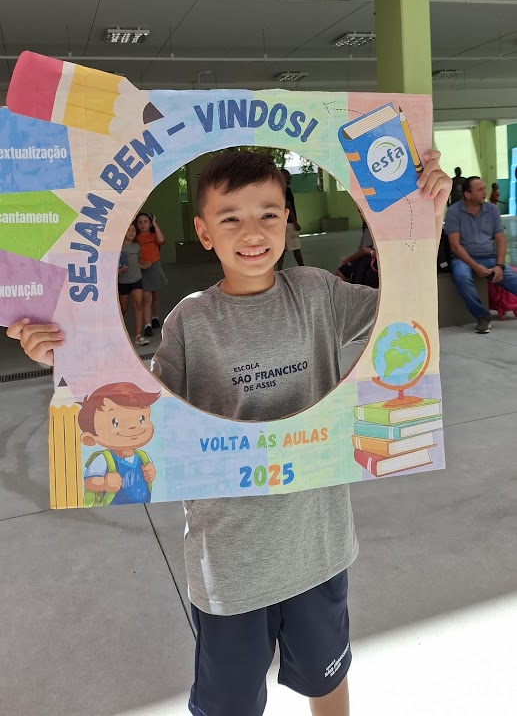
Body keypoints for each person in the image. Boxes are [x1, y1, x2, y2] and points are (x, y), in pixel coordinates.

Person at [7, 149, 450, 716]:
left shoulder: (317, 292)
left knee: (326, 679)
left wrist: (418, 229)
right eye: (230, 217)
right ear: (203, 231)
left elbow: (405, 313)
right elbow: (142, 415)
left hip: (317, 538)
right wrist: (64, 357)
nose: (252, 232)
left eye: (268, 213)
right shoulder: (189, 321)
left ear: (288, 217)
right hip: (230, 554)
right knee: (231, 702)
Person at [444, 175, 517, 334]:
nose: (485, 192)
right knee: (462, 277)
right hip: (463, 259)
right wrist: (475, 266)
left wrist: (499, 265)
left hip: (490, 258)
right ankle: (482, 316)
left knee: (512, 278)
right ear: (467, 194)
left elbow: (500, 240)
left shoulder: (492, 209)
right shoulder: (453, 212)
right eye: (480, 189)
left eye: (485, 188)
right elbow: (455, 246)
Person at [79, 381, 159, 506]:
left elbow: (150, 475)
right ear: (90, 438)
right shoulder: (103, 460)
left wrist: (151, 473)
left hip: (144, 504)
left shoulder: (143, 457)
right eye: (115, 422)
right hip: (113, 509)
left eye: (141, 419)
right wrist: (104, 483)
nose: (133, 427)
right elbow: (88, 482)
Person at [118, 222, 151, 346]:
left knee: (139, 304)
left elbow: (136, 261)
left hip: (136, 279)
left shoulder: (136, 247)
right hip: (123, 281)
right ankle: (120, 332)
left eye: (133, 230)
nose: (131, 232)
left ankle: (138, 335)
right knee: (123, 308)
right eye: (128, 230)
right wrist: (119, 271)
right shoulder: (118, 247)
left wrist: (144, 264)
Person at [135, 211, 168, 338]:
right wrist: (141, 263)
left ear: (150, 223)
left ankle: (155, 317)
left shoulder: (154, 235)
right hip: (143, 269)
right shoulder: (135, 238)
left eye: (146, 222)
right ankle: (147, 325)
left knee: (155, 296)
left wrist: (155, 223)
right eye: (140, 222)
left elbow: (161, 240)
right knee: (146, 298)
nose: (143, 225)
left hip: (155, 267)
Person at [336, 222, 378, 288]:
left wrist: (347, 259)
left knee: (343, 274)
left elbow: (365, 250)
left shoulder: (369, 224)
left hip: (366, 260)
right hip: (370, 261)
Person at [277, 168, 304, 269]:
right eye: (287, 176)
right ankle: (303, 267)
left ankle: (279, 269)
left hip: (281, 223)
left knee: (282, 249)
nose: (289, 178)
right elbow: (288, 205)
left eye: (290, 176)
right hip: (289, 223)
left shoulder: (278, 190)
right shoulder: (286, 190)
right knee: (296, 247)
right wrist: (295, 222)